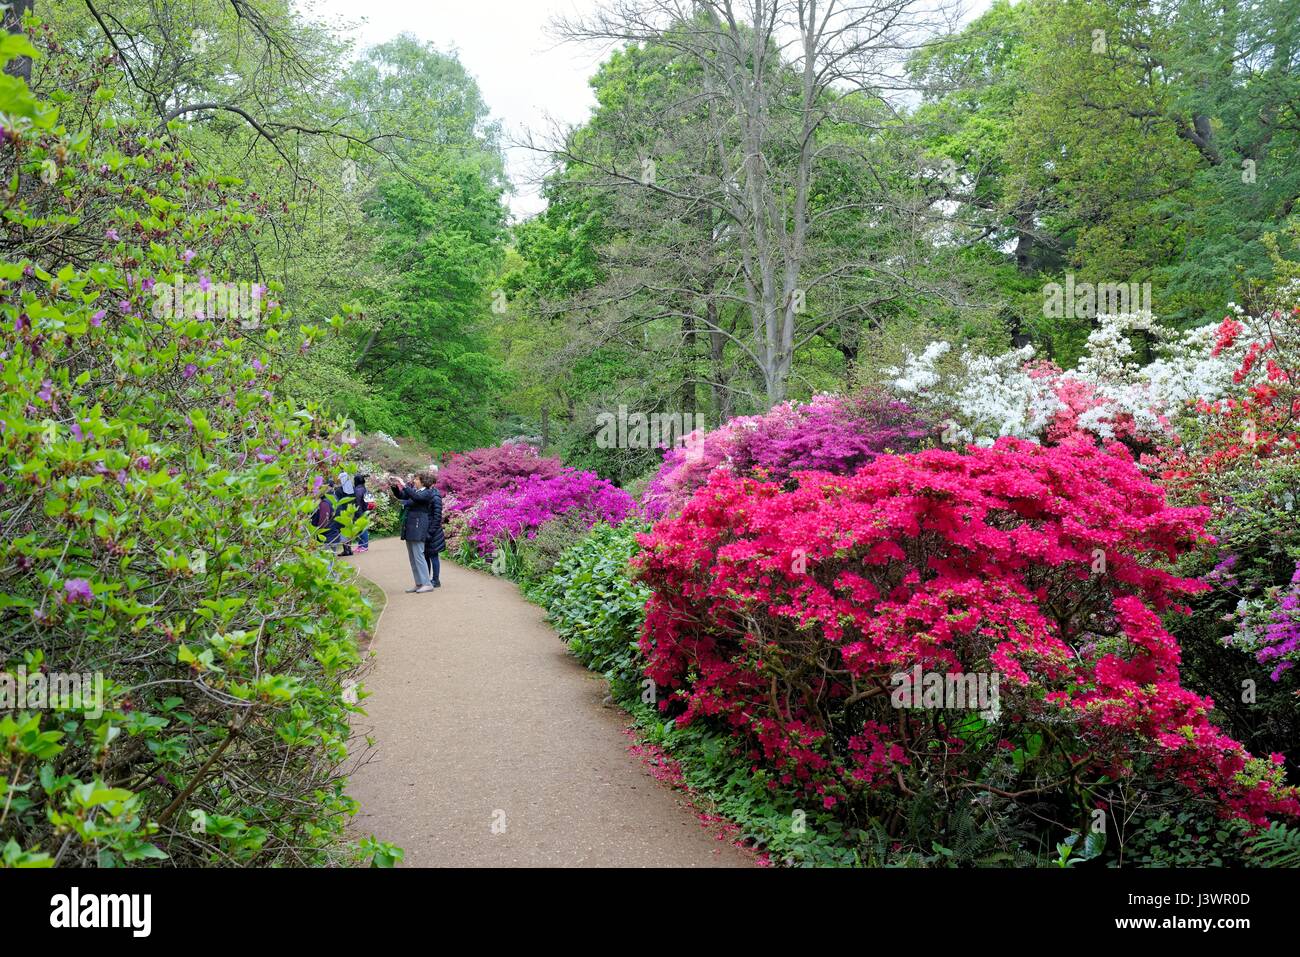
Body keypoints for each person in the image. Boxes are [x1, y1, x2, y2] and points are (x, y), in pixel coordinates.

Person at [390, 471, 439, 593]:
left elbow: (417, 498)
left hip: (419, 526)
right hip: (411, 526)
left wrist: (404, 484)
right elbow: (401, 495)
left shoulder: (428, 492)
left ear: (423, 481)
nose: (414, 481)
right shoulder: (415, 491)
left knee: (419, 556)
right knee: (413, 557)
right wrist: (395, 486)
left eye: (416, 479)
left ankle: (427, 583)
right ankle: (419, 583)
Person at [422, 467, 444, 587]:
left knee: (433, 556)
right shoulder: (429, 494)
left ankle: (436, 580)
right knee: (426, 555)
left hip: (433, 531)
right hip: (428, 530)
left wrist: (430, 532)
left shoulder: (435, 496)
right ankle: (427, 578)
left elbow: (437, 517)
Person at [354, 474, 372, 552]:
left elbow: (357, 502)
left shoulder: (357, 490)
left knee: (362, 529)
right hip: (365, 511)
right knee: (362, 528)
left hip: (359, 511)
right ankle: (361, 545)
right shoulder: (364, 489)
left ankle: (364, 545)